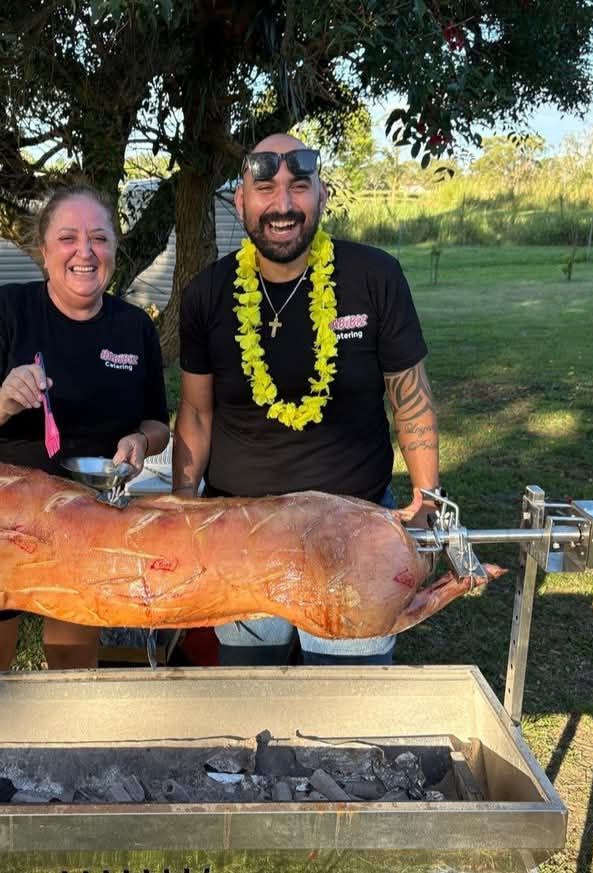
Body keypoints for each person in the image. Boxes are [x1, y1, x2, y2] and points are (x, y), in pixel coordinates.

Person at [173, 133, 440, 666]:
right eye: (265, 187)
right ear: (240, 201)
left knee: (349, 706)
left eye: (299, 186)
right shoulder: (206, 293)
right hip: (242, 531)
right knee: (251, 700)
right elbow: (197, 413)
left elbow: (409, 396)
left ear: (321, 195)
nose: (283, 204)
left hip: (356, 531)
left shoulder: (375, 276)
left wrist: (428, 500)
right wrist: (182, 507)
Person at [0, 184, 170, 672]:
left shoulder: (134, 328)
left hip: (84, 518)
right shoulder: (9, 310)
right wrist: (4, 397)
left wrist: (140, 440)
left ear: (114, 248)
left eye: (99, 238)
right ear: (44, 252)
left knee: (73, 660)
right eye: (68, 238)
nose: (84, 252)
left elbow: (157, 423)